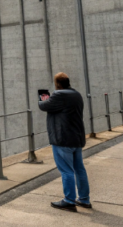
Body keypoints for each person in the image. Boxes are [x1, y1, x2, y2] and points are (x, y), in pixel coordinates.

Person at [38, 72, 91, 211]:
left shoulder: (59, 95)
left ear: (57, 84)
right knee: (79, 169)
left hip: (63, 139)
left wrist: (42, 98)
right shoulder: (77, 94)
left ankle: (69, 200)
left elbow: (44, 106)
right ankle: (84, 199)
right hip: (76, 138)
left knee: (66, 171)